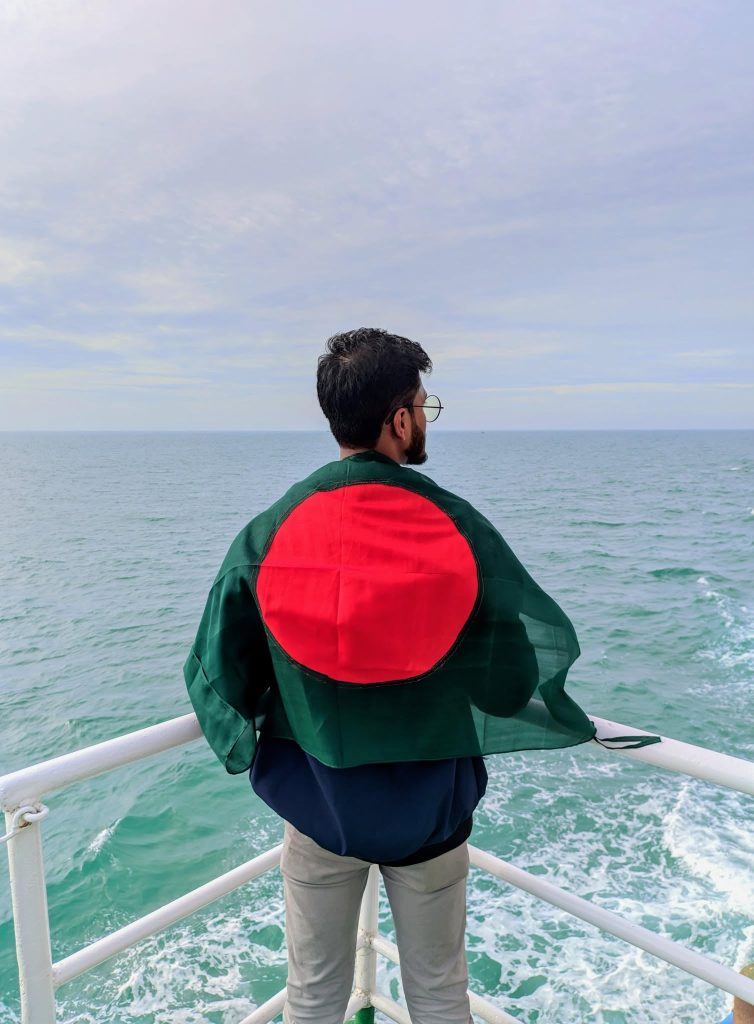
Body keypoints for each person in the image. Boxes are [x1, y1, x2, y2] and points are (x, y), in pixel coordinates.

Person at [184, 327, 595, 1024]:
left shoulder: (269, 533)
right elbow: (508, 686)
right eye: (424, 406)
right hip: (431, 816)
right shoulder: (458, 529)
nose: (425, 420)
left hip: (319, 809)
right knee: (438, 993)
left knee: (313, 994)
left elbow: (220, 675)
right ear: (399, 420)